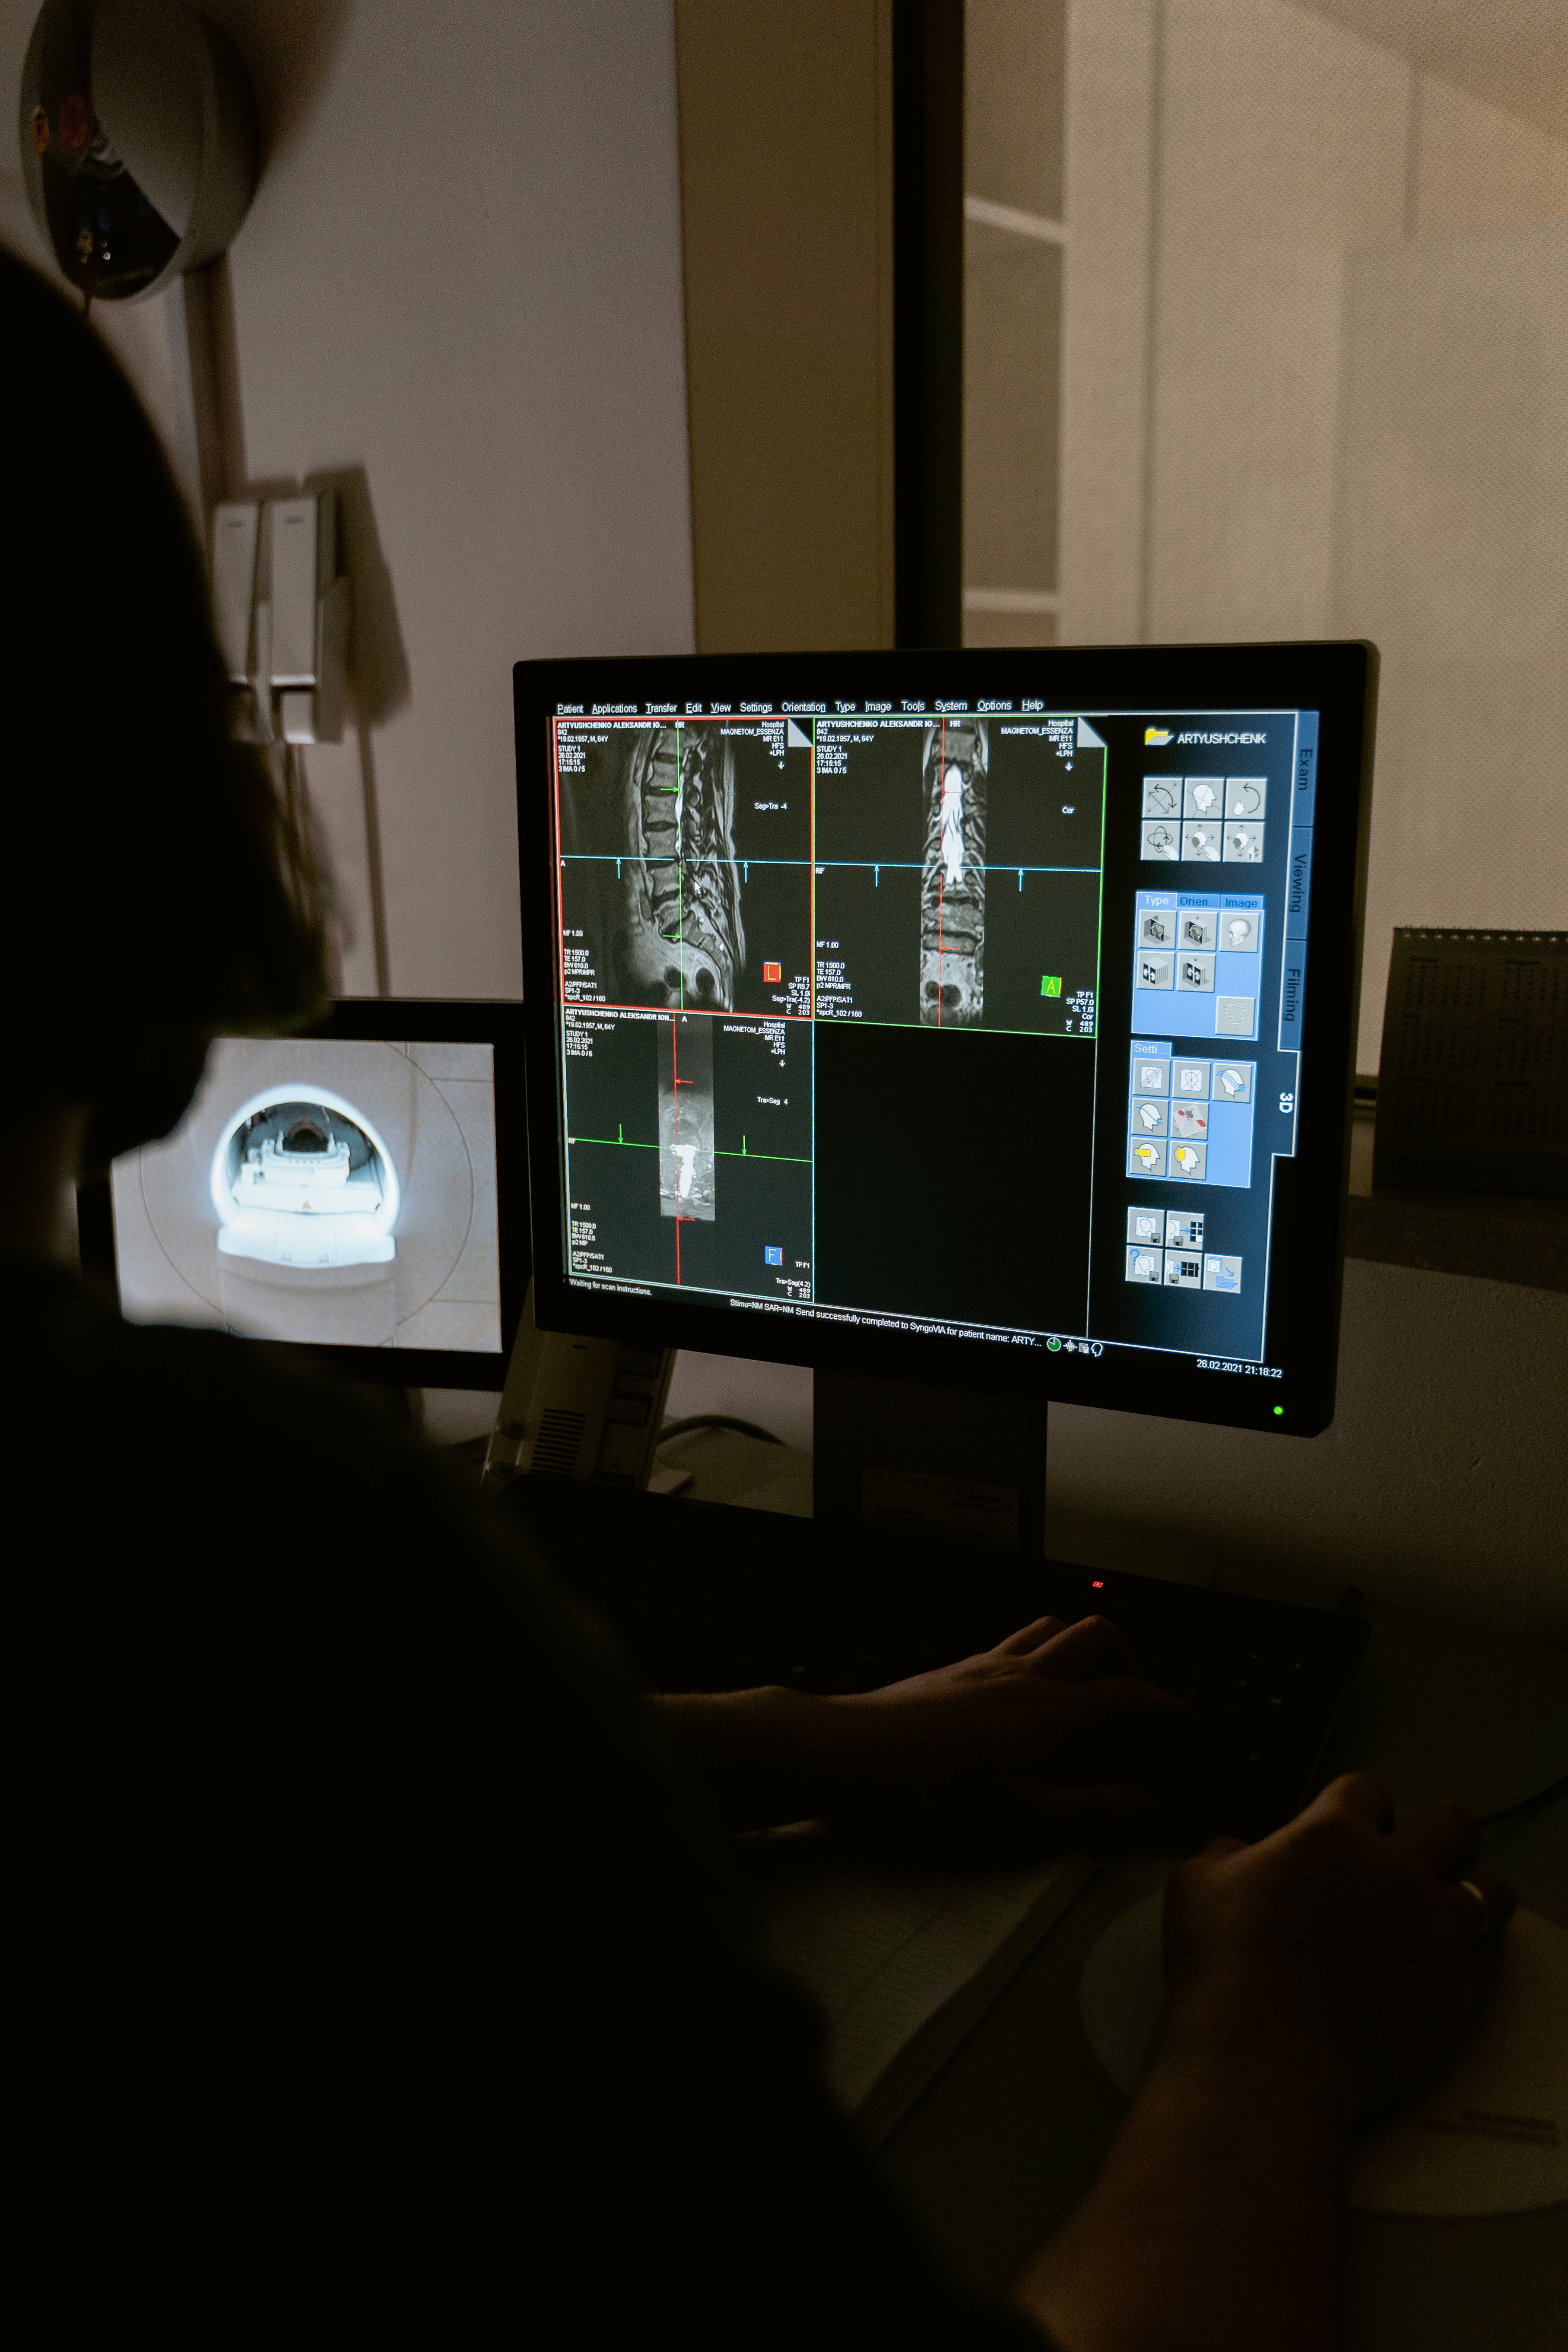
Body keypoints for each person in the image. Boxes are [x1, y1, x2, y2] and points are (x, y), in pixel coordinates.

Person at [1, 244, 1511, 2346]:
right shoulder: (244, 1547)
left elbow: (241, 1787)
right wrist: (1266, 2037)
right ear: (134, 841)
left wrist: (801, 1737)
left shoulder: (229, 1624)